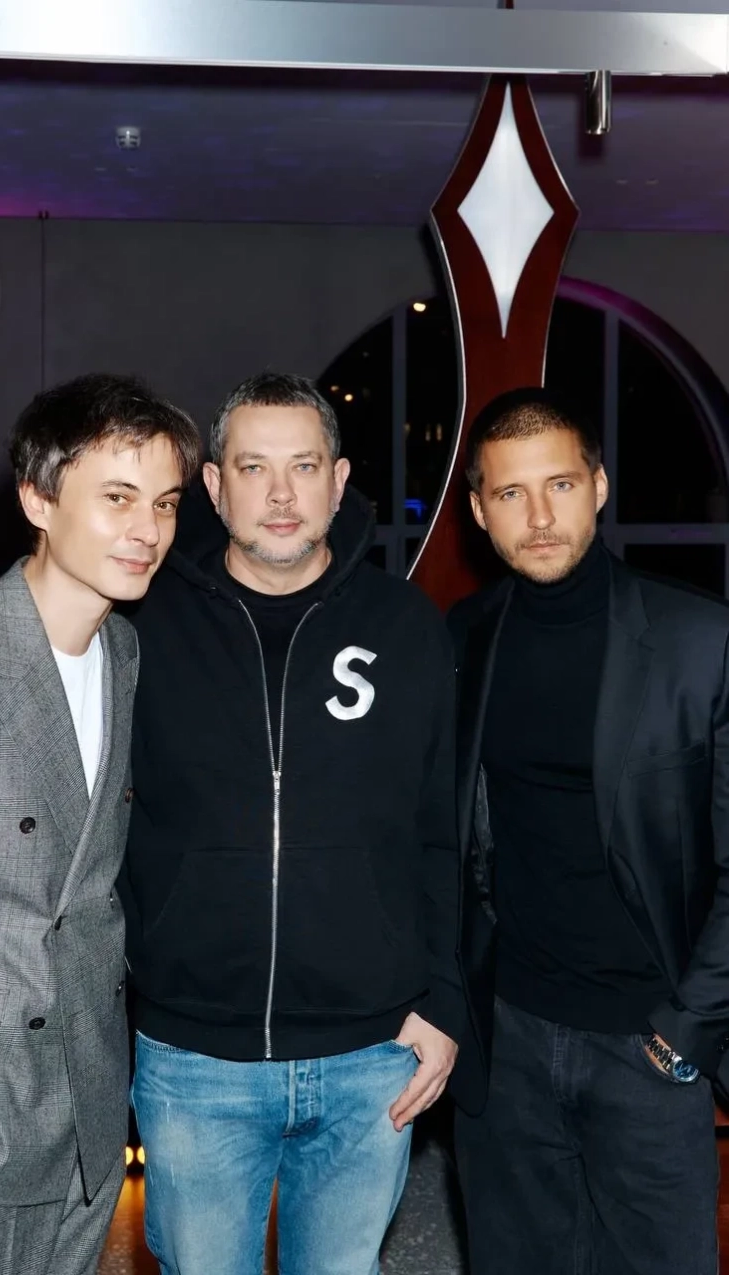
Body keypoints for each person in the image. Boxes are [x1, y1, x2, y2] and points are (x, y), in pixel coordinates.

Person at [119, 371, 463, 1275]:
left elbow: (442, 833)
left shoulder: (406, 626)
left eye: (304, 466)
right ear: (214, 485)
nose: (280, 494)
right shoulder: (141, 627)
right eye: (253, 467)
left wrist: (445, 1003)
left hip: (370, 1053)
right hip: (195, 1056)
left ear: (339, 482)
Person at [0, 373, 200, 1275]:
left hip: (87, 1114)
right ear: (38, 499)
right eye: (118, 498)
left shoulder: (124, 651)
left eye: (166, 504)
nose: (148, 530)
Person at [448, 386, 723, 1274]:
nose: (539, 516)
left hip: (645, 1045)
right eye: (510, 493)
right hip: (509, 1045)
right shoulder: (464, 637)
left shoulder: (699, 642)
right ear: (479, 510)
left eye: (560, 485)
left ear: (599, 487)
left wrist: (686, 1030)